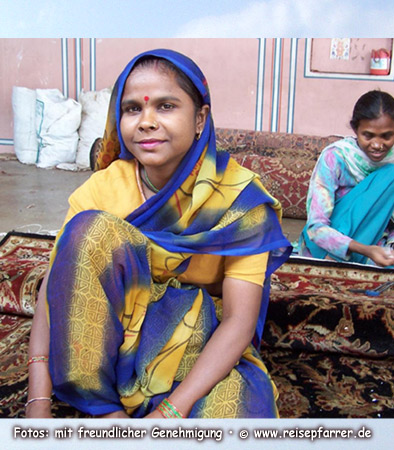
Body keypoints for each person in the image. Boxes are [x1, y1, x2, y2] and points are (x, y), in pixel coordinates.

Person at [26, 49, 291, 419]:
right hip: (112, 348)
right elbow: (56, 292)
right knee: (89, 229)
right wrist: (38, 399)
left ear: (200, 119)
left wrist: (167, 415)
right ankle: (104, 408)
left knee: (236, 415)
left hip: (197, 348)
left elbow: (238, 321)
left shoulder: (241, 201)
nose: (146, 121)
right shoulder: (102, 189)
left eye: (166, 107)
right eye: (132, 109)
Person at [299, 90, 394, 267]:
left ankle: (373, 264)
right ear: (356, 129)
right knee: (393, 175)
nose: (378, 145)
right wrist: (366, 249)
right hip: (331, 248)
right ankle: (351, 262)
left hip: (375, 246)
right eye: (368, 135)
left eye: (386, 136)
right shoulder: (336, 158)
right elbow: (315, 228)